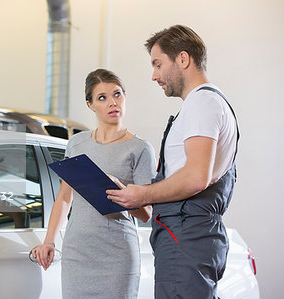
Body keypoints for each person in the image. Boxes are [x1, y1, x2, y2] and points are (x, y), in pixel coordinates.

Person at [106, 25, 239, 298]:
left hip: (186, 236)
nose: (154, 76)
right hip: (186, 234)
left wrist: (142, 194)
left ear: (182, 59)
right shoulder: (205, 104)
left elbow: (195, 177)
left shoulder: (203, 103)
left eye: (158, 64)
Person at [31, 69, 156, 299]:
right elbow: (64, 197)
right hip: (77, 252)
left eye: (117, 94)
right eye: (102, 97)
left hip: (117, 255)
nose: (112, 102)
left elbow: (146, 213)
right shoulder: (77, 144)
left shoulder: (140, 149)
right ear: (90, 104)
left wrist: (120, 192)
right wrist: (49, 241)